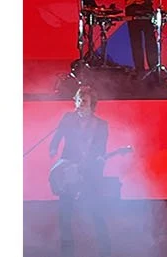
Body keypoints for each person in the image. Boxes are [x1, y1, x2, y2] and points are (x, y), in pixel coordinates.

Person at [48, 86, 111, 256]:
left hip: (89, 173)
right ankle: (67, 252)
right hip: (69, 171)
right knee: (65, 215)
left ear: (92, 105)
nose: (81, 104)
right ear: (74, 101)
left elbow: (101, 151)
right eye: (79, 100)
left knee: (96, 213)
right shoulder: (68, 118)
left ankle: (106, 251)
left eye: (85, 101)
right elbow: (57, 137)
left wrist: (93, 166)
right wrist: (53, 148)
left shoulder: (101, 125)